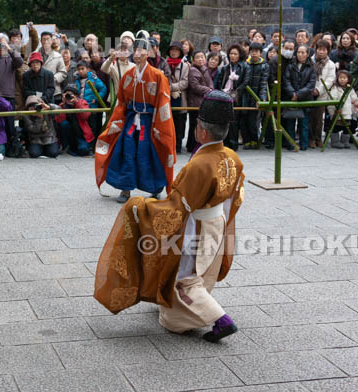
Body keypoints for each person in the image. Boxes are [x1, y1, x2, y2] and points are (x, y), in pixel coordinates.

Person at [94, 90, 245, 342]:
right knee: (195, 279)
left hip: (194, 225)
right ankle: (189, 305)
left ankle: (221, 320)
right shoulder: (233, 157)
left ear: (201, 131)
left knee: (186, 277)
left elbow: (176, 207)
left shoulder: (199, 164)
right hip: (216, 221)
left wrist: (141, 206)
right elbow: (235, 197)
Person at [95, 35, 176, 203]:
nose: (137, 53)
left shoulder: (158, 76)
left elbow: (163, 103)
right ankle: (125, 189)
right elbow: (122, 102)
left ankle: (155, 188)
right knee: (127, 150)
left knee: (150, 153)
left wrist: (161, 126)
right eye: (136, 50)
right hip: (132, 119)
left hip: (150, 120)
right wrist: (117, 121)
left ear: (148, 53)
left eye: (141, 50)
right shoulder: (128, 75)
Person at [282, 44, 316, 150]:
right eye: (298, 52)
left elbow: (311, 84)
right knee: (290, 123)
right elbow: (286, 80)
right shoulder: (290, 66)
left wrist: (299, 94)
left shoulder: (311, 67)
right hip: (291, 97)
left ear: (307, 54)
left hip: (305, 98)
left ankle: (304, 144)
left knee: (304, 123)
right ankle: (291, 144)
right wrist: (292, 93)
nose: (300, 55)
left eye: (303, 52)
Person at [215, 44, 248, 150]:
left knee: (234, 121)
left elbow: (246, 82)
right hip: (225, 95)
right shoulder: (225, 67)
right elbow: (220, 81)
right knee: (225, 121)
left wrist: (235, 93)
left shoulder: (244, 66)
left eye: (235, 54)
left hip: (237, 97)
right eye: (231, 53)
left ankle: (233, 144)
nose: (232, 56)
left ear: (240, 55)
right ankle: (224, 143)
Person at [162, 42, 190, 153]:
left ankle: (178, 145)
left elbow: (185, 82)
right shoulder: (164, 63)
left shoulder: (185, 66)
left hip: (180, 96)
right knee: (167, 121)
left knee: (179, 122)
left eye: (176, 50)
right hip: (166, 96)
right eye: (172, 50)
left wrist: (172, 87)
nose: (174, 52)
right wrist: (170, 89)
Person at [240, 41, 269, 149]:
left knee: (253, 121)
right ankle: (246, 141)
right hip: (244, 96)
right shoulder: (245, 64)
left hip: (256, 96)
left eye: (256, 51)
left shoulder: (264, 66)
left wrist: (261, 99)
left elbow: (263, 84)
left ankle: (254, 140)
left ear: (261, 53)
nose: (254, 54)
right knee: (243, 120)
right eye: (252, 51)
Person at [56, 83, 94, 156]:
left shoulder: (82, 102)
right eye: (67, 95)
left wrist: (76, 103)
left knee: (83, 150)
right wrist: (63, 104)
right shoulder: (62, 105)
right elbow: (59, 120)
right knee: (64, 124)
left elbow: (85, 116)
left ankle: (77, 148)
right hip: (69, 134)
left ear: (76, 96)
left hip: (81, 134)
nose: (69, 97)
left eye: (71, 95)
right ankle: (66, 146)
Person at [328, 69, 358, 148]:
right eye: (340, 78)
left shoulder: (350, 89)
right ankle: (335, 141)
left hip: (347, 112)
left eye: (344, 78)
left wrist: (357, 102)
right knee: (335, 127)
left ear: (348, 79)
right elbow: (332, 99)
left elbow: (354, 98)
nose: (342, 80)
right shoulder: (335, 88)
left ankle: (345, 141)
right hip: (338, 111)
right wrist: (334, 109)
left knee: (347, 127)